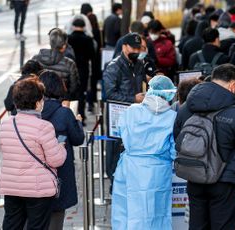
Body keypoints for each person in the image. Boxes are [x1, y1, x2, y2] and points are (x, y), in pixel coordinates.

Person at [174, 63, 235, 230]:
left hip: (195, 176)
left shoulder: (186, 108)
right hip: (225, 181)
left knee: (197, 225)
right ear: (232, 85)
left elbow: (178, 140)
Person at [0, 77, 67, 230]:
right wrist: (61, 146)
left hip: (11, 186)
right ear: (37, 103)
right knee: (37, 226)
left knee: (11, 224)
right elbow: (56, 161)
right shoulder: (44, 127)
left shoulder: (5, 125)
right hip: (38, 189)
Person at [112, 75, 177, 229]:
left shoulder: (131, 111)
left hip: (129, 168)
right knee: (157, 213)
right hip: (158, 170)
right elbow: (174, 150)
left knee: (125, 212)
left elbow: (120, 132)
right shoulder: (172, 117)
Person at [39, 71, 85, 230]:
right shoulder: (64, 113)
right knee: (57, 216)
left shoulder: (33, 111)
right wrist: (78, 122)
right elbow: (79, 139)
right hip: (60, 172)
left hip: (36, 174)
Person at [103, 32, 146, 183]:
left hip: (136, 116)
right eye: (133, 48)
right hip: (118, 117)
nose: (136, 51)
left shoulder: (139, 64)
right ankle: (114, 181)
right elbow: (109, 94)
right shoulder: (113, 67)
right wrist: (132, 99)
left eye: (138, 48)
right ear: (124, 47)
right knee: (116, 151)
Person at [33, 28, 80, 105]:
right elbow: (74, 88)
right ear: (64, 45)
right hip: (60, 104)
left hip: (38, 103)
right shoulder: (69, 64)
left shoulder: (36, 59)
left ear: (50, 42)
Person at [68, 18, 95, 125]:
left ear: (73, 26)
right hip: (84, 68)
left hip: (71, 68)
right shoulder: (88, 39)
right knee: (81, 93)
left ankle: (71, 116)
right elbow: (92, 55)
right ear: (84, 27)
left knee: (72, 93)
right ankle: (81, 116)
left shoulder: (69, 38)